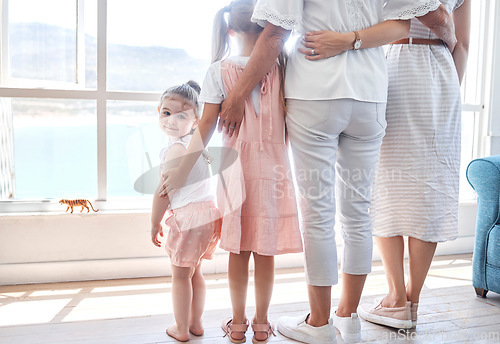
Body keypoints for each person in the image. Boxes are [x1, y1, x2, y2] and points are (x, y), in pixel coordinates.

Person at [213, 0, 457, 343]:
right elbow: (410, 23)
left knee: (318, 215)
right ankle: (349, 317)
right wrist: (355, 39)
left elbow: (274, 34)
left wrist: (237, 94)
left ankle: (319, 323)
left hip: (316, 94)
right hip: (371, 95)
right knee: (358, 214)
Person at [158, 1, 303, 343]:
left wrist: (181, 170)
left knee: (238, 250)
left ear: (230, 30)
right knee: (264, 251)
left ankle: (238, 324)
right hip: (275, 169)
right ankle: (263, 324)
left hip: (234, 170)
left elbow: (206, 126)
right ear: (269, 28)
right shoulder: (281, 65)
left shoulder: (218, 71)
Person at [358, 0, 471, 329]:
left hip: (396, 64)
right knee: (428, 187)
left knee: (386, 182)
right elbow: (461, 44)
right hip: (441, 70)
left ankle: (396, 300)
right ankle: (413, 300)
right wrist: (449, 89)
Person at [150, 81, 221, 342]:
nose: (171, 120)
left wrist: (154, 222)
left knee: (180, 276)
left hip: (189, 219)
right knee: (195, 272)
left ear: (196, 121)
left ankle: (181, 328)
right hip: (209, 217)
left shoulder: (176, 149)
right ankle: (196, 322)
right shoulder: (197, 148)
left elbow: (163, 192)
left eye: (181, 115)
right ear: (158, 111)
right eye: (166, 113)